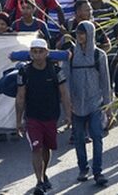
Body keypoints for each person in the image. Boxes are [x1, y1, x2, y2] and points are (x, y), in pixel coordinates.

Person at [15, 38, 73, 195]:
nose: (38, 55)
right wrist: (18, 120)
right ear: (30, 53)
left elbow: (64, 94)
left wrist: (68, 115)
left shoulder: (56, 71)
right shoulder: (24, 72)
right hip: (32, 117)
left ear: (47, 53)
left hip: (51, 116)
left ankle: (44, 173)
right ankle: (39, 182)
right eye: (34, 52)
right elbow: (20, 97)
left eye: (41, 51)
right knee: (36, 148)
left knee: (47, 148)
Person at [67, 20, 112, 187]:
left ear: (90, 34)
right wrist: (68, 105)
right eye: (78, 33)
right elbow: (66, 79)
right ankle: (83, 168)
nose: (79, 36)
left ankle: (98, 171)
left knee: (97, 136)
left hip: (95, 102)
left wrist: (108, 107)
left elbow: (105, 82)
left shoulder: (99, 55)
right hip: (77, 103)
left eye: (83, 32)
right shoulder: (71, 54)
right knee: (79, 138)